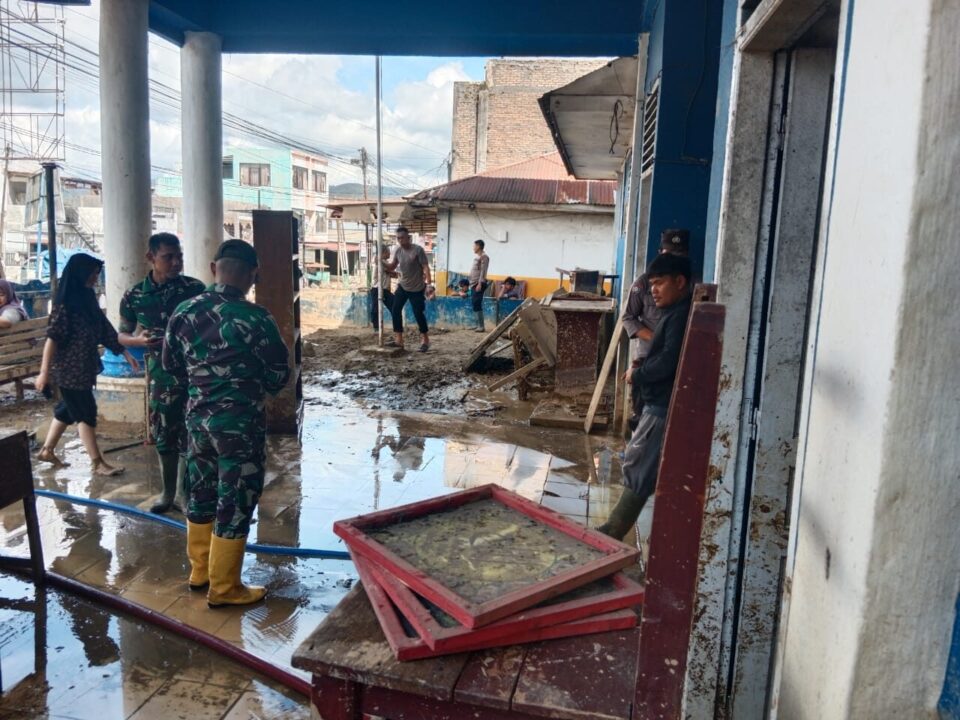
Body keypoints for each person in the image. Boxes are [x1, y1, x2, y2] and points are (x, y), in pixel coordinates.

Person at [163, 239, 290, 607]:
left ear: (213, 267)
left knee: (200, 492)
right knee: (235, 498)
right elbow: (278, 375)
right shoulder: (257, 318)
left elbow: (171, 367)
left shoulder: (183, 312)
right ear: (253, 275)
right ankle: (225, 588)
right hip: (239, 427)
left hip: (197, 423)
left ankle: (200, 572)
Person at [598, 252, 692, 539]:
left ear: (680, 281)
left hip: (661, 405)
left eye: (660, 282)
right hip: (657, 402)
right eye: (651, 283)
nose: (653, 289)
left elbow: (668, 363)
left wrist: (639, 373)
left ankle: (613, 531)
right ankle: (616, 527)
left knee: (639, 464)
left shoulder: (678, 316)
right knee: (640, 461)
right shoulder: (672, 313)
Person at [118, 232, 205, 514]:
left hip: (196, 375)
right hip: (161, 378)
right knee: (164, 433)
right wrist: (138, 343)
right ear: (151, 258)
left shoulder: (195, 289)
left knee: (191, 434)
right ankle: (167, 493)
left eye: (179, 256)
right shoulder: (135, 295)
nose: (176, 262)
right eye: (168, 257)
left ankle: (183, 493)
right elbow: (120, 334)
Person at [35, 253, 140, 473]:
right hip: (67, 370)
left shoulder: (87, 299)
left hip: (84, 367)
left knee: (68, 410)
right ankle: (97, 463)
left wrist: (126, 353)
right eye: (93, 273)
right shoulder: (65, 306)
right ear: (80, 273)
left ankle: (47, 450)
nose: (95, 278)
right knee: (86, 412)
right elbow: (52, 340)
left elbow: (104, 329)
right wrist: (44, 373)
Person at [620, 229, 690, 435]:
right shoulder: (644, 283)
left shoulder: (690, 284)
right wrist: (654, 337)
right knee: (641, 416)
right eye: (669, 254)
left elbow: (671, 356)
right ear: (660, 252)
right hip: (647, 357)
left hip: (667, 368)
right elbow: (628, 317)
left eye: (680, 255)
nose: (674, 259)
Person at [385, 226, 432, 352]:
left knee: (418, 313)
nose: (400, 240)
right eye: (398, 238)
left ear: (408, 238)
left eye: (402, 238)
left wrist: (429, 284)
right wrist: (381, 262)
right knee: (395, 309)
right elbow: (392, 266)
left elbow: (426, 267)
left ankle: (425, 340)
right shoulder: (398, 251)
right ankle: (399, 340)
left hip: (417, 288)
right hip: (402, 286)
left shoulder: (418, 250)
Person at [369, 246, 396, 332]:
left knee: (394, 305)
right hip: (377, 288)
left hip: (385, 289)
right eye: (388, 252)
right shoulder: (378, 261)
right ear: (383, 253)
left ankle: (397, 326)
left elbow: (392, 272)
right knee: (375, 309)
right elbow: (391, 270)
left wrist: (393, 273)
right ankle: (376, 328)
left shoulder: (384, 262)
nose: (389, 254)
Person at [469, 239, 490, 332]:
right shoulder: (477, 257)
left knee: (477, 303)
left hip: (478, 284)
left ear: (478, 246)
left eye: (474, 246)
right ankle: (477, 324)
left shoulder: (484, 257)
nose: (473, 248)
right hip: (473, 283)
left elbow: (483, 271)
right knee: (474, 303)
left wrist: (480, 283)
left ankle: (481, 326)